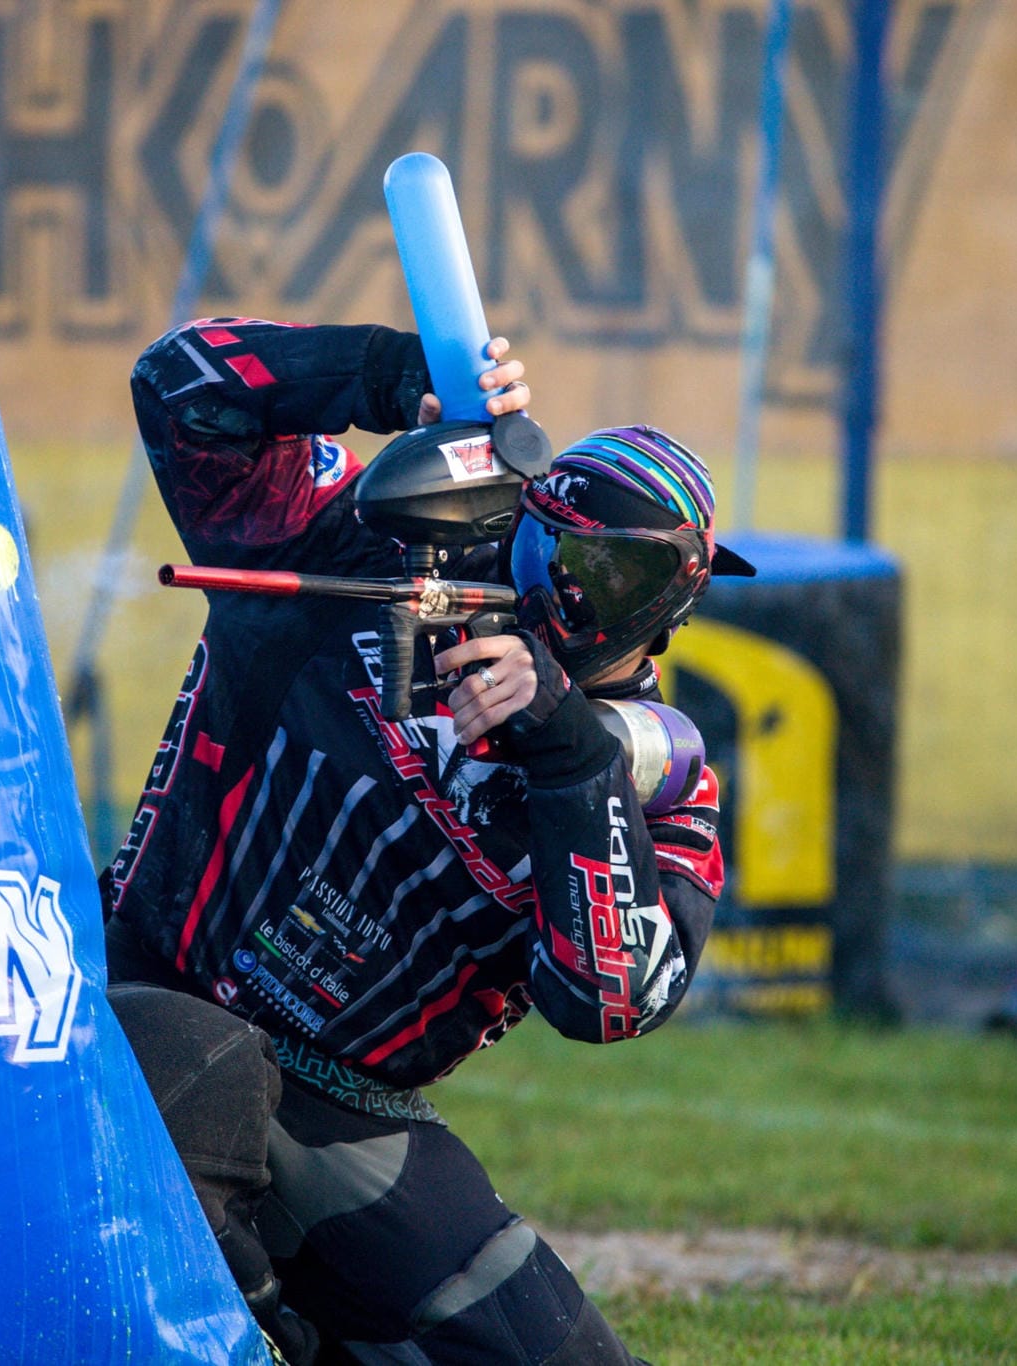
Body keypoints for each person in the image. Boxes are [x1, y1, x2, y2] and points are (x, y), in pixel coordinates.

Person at [101, 316, 753, 1365]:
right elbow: (181, 387)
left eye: (609, 577)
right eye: (551, 548)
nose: (565, 591)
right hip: (136, 996)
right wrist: (385, 371)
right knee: (198, 1067)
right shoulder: (366, 546)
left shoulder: (661, 787)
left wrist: (567, 759)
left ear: (672, 605)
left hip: (345, 1104)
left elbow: (609, 1002)